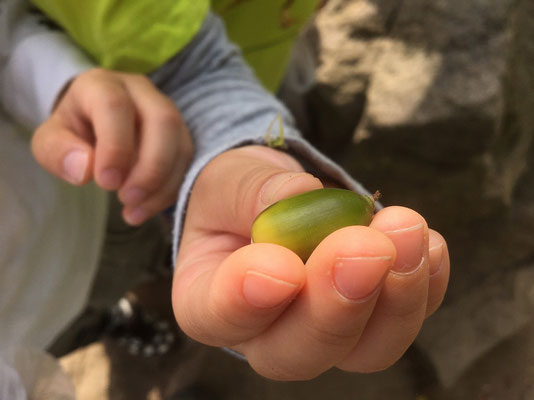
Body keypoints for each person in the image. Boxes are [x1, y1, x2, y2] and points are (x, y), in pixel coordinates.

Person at [1, 0, 449, 384]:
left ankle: (111, 318)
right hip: (61, 248)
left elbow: (188, 67)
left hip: (72, 228)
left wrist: (52, 78)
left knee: (97, 289)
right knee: (60, 329)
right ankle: (96, 324)